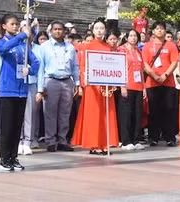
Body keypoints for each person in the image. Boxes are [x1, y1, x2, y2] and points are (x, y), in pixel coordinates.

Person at [0, 14, 40, 171]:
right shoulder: (1, 42)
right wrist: (22, 35)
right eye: (11, 24)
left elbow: (36, 61)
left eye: (16, 24)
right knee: (7, 126)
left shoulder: (23, 46)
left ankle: (13, 157)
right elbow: (4, 49)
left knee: (16, 126)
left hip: (22, 89)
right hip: (7, 90)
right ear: (4, 26)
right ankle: (4, 158)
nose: (14, 26)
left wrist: (31, 70)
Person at [72, 21, 119, 155]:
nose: (99, 31)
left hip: (106, 86)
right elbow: (82, 66)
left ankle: (104, 143)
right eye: (97, 28)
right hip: (92, 86)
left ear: (105, 30)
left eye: (102, 28)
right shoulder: (86, 47)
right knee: (94, 114)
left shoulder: (109, 47)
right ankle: (94, 144)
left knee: (106, 113)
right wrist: (83, 82)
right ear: (92, 30)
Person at [37, 21, 79, 152]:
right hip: (51, 81)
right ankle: (50, 140)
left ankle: (62, 140)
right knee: (50, 112)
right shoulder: (44, 47)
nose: (57, 31)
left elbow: (75, 67)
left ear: (64, 31)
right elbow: (40, 67)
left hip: (67, 81)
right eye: (55, 29)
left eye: (60, 29)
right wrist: (40, 87)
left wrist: (77, 83)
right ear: (50, 31)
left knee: (65, 113)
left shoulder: (70, 47)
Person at [142, 21, 180, 146]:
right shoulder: (147, 46)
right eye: (157, 29)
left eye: (162, 28)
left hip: (168, 82)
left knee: (169, 110)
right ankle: (153, 137)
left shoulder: (171, 45)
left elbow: (174, 62)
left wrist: (165, 75)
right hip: (152, 83)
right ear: (153, 31)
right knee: (153, 111)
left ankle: (170, 137)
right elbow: (145, 64)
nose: (159, 31)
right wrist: (154, 75)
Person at [116, 29, 144, 150]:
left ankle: (135, 139)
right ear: (126, 37)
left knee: (137, 114)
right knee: (126, 114)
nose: (133, 38)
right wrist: (122, 85)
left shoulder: (138, 51)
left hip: (138, 86)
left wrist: (144, 88)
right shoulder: (121, 50)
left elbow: (142, 70)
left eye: (135, 36)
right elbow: (119, 68)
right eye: (131, 36)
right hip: (127, 86)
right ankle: (125, 140)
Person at [20, 31, 47, 155]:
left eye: (29, 32)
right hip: (18, 83)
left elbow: (40, 70)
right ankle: (19, 140)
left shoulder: (38, 49)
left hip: (32, 83)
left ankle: (28, 141)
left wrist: (40, 90)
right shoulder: (17, 46)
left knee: (30, 115)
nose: (27, 35)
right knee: (18, 114)